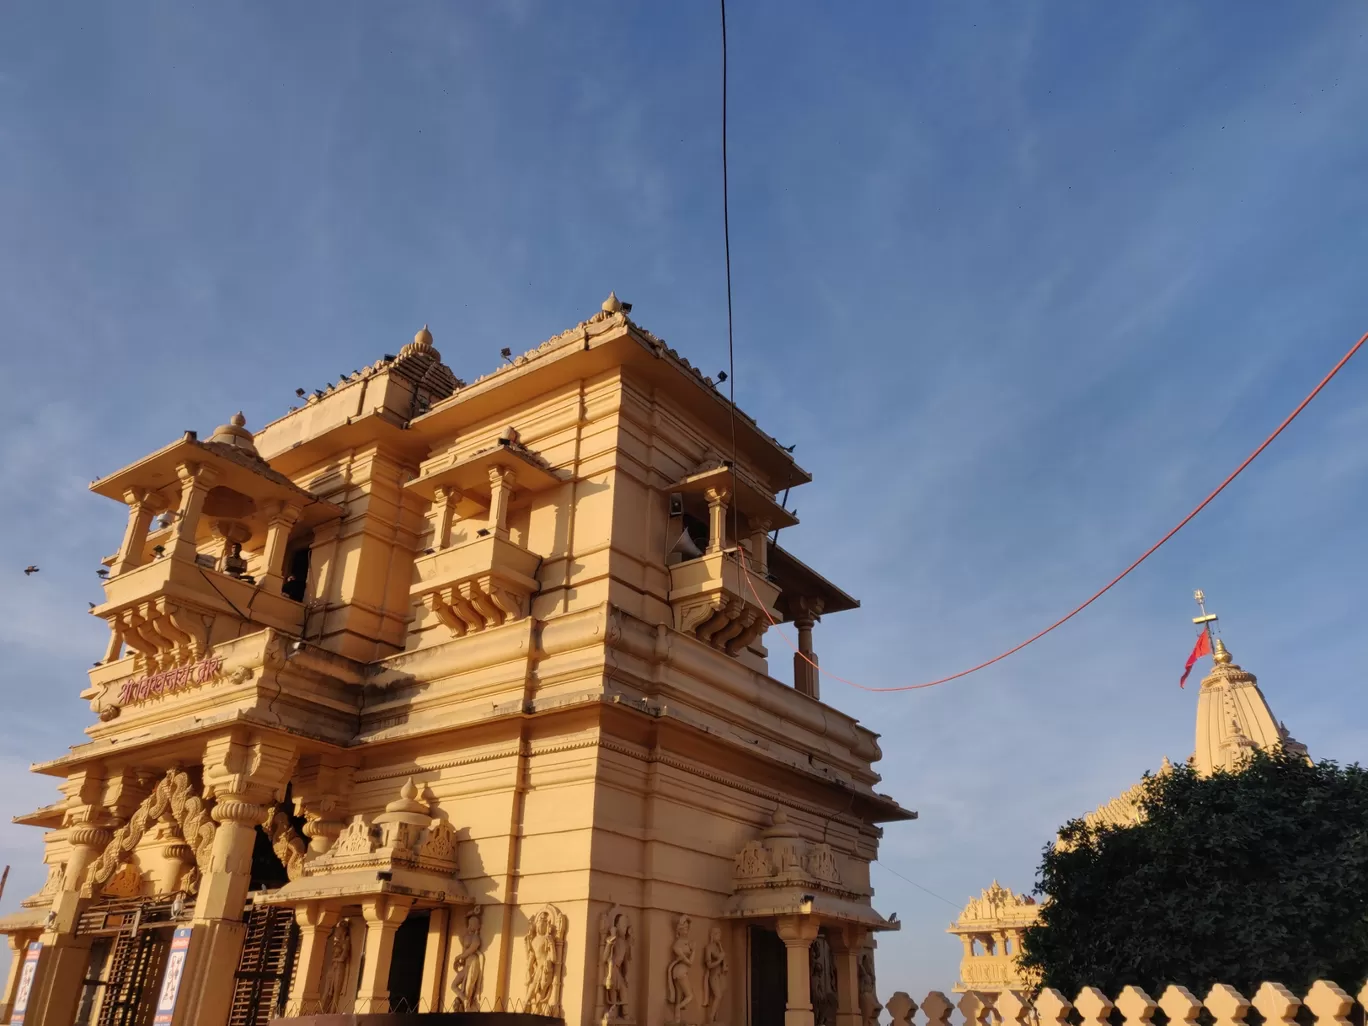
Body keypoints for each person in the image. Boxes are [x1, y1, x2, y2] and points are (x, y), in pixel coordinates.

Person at [702, 927, 728, 1023]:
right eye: (717, 934)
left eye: (720, 934)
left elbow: (723, 962)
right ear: (713, 935)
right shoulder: (708, 947)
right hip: (713, 975)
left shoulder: (718, 946)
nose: (719, 936)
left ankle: (715, 1018)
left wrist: (724, 962)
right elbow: (709, 965)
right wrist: (719, 960)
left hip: (720, 975)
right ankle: (711, 1016)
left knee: (719, 997)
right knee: (718, 996)